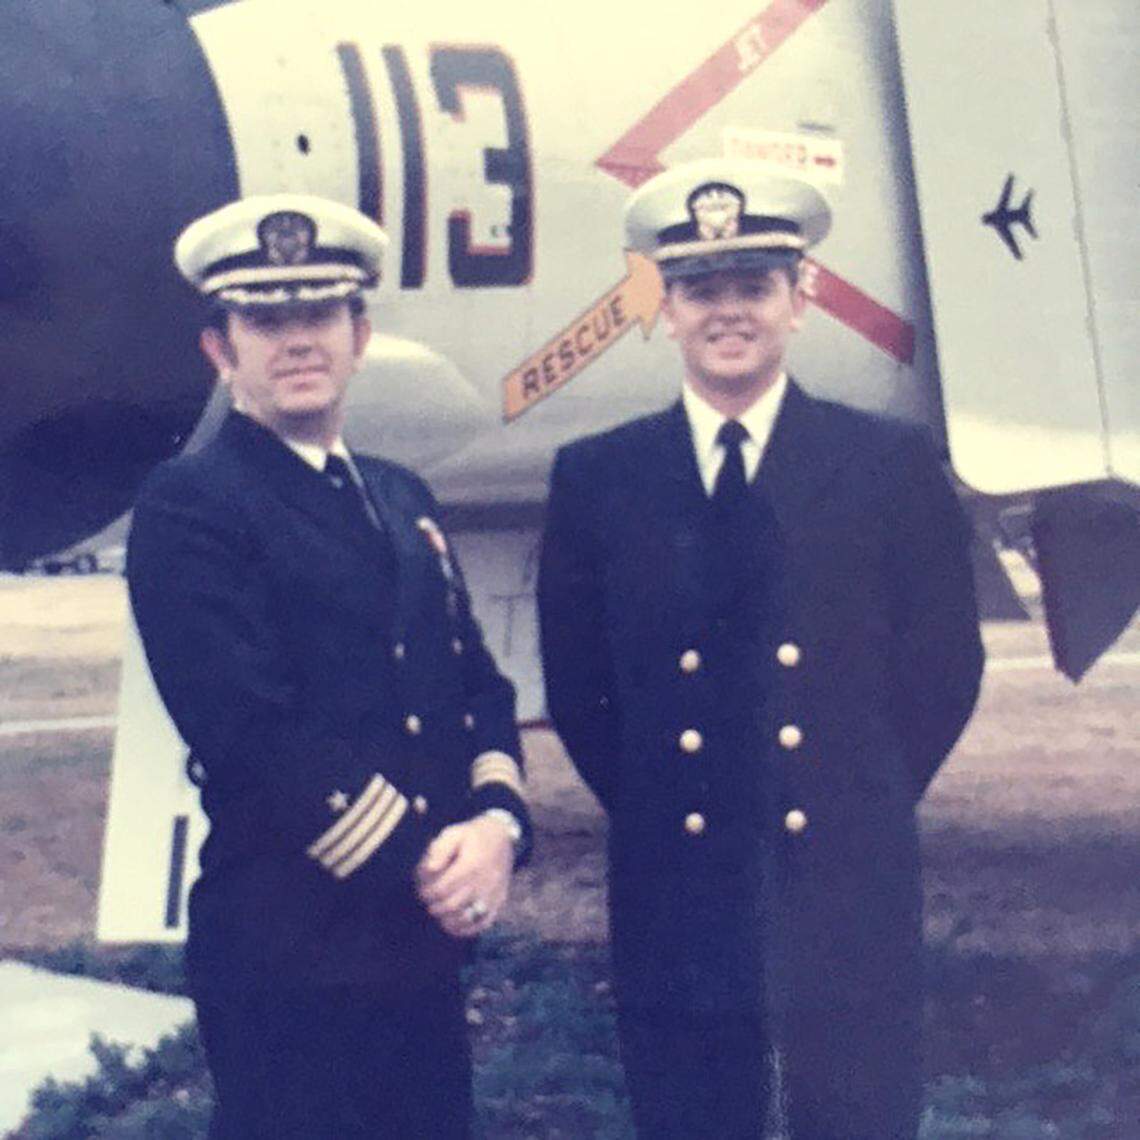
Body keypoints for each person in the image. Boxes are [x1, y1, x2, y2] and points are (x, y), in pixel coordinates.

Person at [537, 160, 984, 1139]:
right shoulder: (600, 478)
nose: (727, 312)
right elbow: (580, 690)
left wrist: (856, 790)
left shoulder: (887, 467)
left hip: (846, 870)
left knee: (860, 1113)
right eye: (701, 290)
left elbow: (944, 666)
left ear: (801, 300)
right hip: (679, 873)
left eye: (753, 287)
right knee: (695, 1113)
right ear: (664, 307)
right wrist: (672, 799)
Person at [127, 193, 530, 1139]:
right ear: (220, 351)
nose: (296, 341)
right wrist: (428, 860)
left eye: (318, 315)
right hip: (289, 947)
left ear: (360, 335)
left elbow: (478, 686)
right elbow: (249, 728)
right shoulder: (194, 506)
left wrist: (499, 825)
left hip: (415, 945)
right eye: (266, 320)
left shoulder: (401, 497)